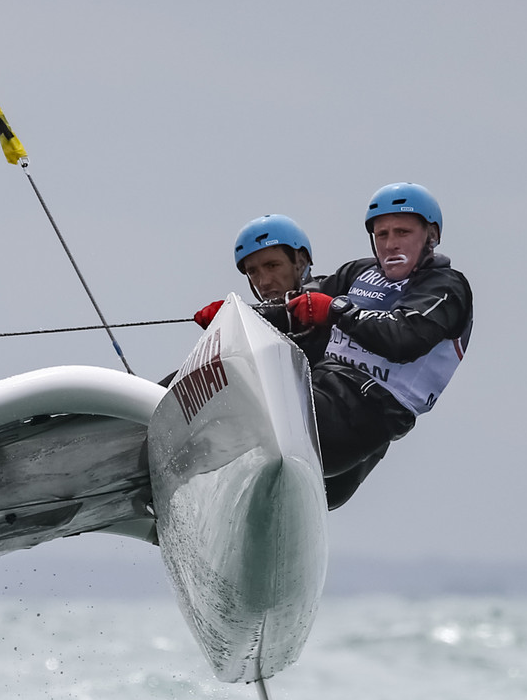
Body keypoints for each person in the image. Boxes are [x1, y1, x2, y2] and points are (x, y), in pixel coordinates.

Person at [285, 183, 471, 508]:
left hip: (364, 417)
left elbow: (404, 338)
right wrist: (235, 314)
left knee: (259, 393)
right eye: (381, 234)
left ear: (431, 235)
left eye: (403, 232)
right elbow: (299, 307)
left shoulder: (446, 287)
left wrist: (337, 310)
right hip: (323, 388)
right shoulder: (360, 272)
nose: (390, 243)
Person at [191, 215, 327, 358]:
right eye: (252, 272)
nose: (264, 282)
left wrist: (237, 314)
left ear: (301, 262)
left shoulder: (331, 294)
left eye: (272, 266)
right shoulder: (255, 336)